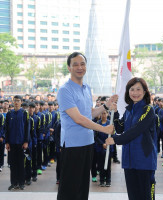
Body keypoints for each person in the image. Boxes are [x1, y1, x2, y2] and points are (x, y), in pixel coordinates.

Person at [57, 52, 116, 200]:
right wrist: (103, 128)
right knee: (69, 189)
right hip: (73, 145)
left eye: (82, 64)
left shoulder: (87, 88)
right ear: (69, 68)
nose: (79, 67)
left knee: (83, 187)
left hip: (88, 143)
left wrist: (106, 106)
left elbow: (89, 113)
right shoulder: (65, 90)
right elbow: (79, 119)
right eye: (75, 64)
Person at [106, 77, 157, 200]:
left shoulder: (148, 109)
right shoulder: (129, 111)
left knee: (146, 196)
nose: (135, 93)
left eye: (138, 89)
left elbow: (137, 130)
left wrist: (116, 140)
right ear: (128, 92)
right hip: (129, 161)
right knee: (133, 196)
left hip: (144, 160)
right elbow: (120, 128)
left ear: (145, 92)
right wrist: (116, 112)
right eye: (132, 89)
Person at [5, 95, 30, 190]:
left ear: (21, 102)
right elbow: (6, 129)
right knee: (12, 164)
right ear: (13, 101)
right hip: (11, 143)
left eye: (18, 101)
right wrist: (7, 142)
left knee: (20, 163)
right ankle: (13, 182)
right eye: (15, 101)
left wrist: (26, 141)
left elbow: (27, 128)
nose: (16, 102)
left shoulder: (24, 113)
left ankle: (21, 182)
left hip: (21, 143)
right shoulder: (9, 114)